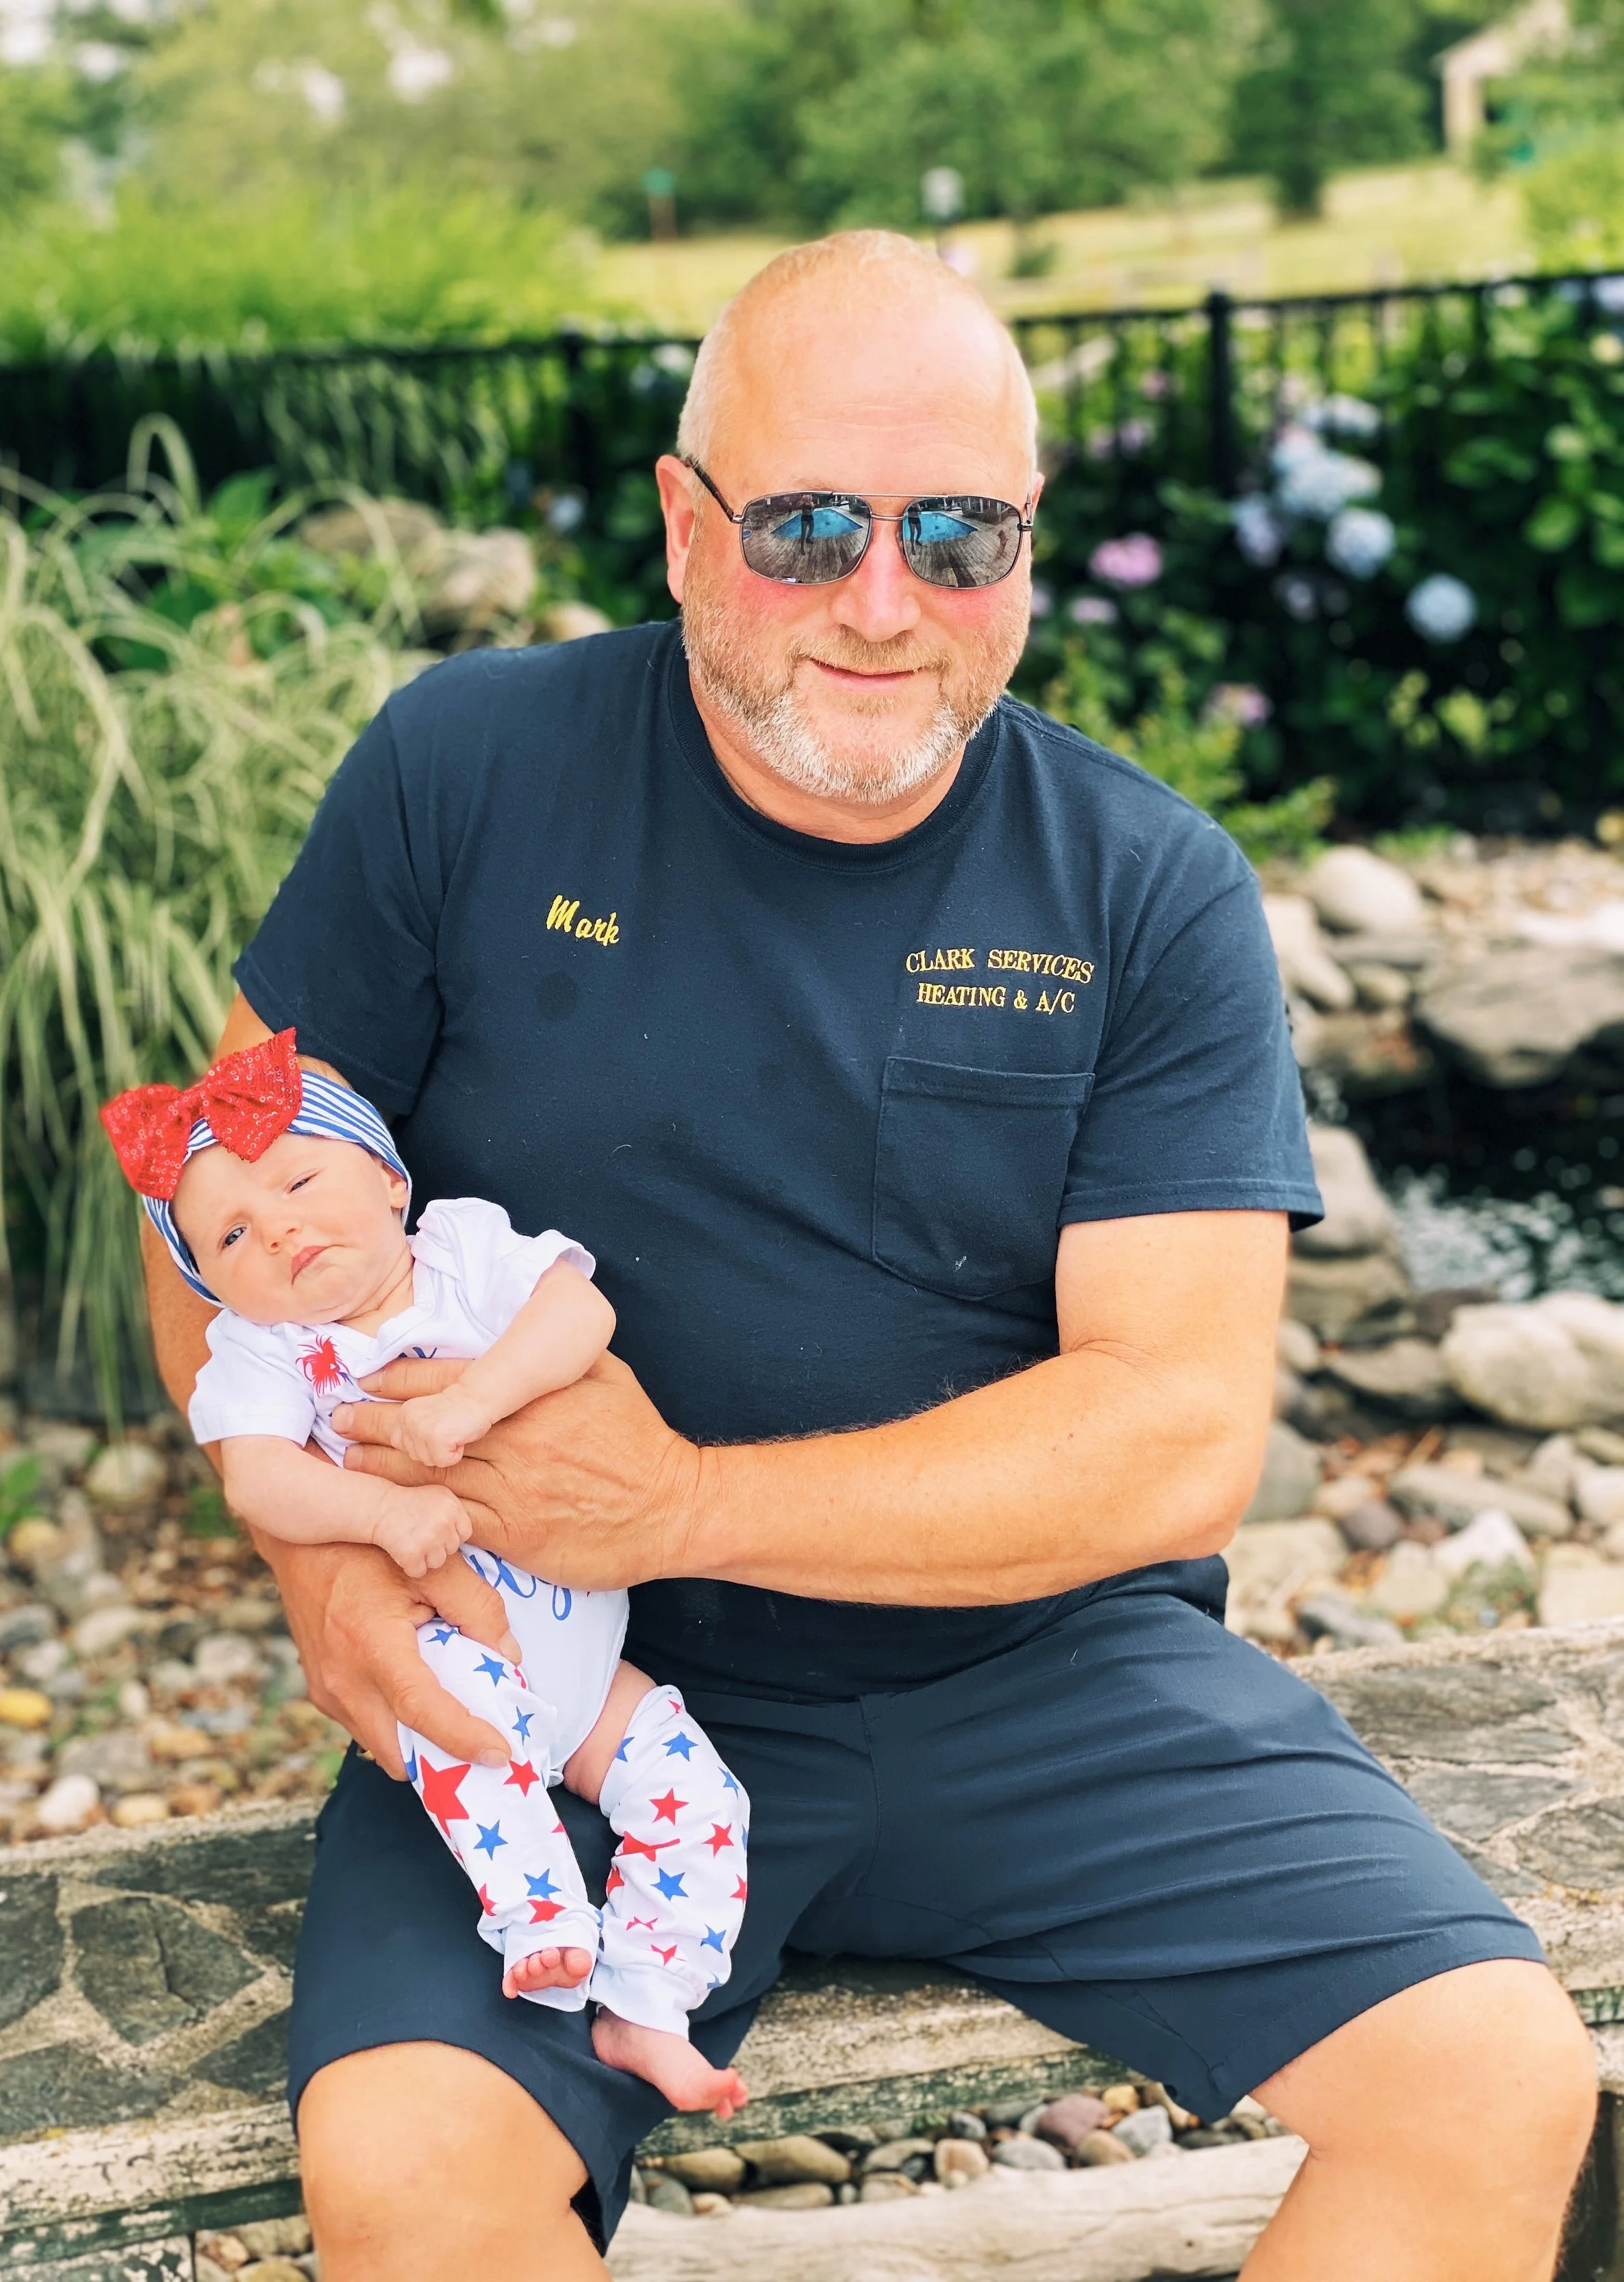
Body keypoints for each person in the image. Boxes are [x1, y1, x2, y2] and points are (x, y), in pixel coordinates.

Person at [147, 230, 1597, 2282]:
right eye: (809, 525)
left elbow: (1172, 1435)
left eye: (959, 532)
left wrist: (687, 1496)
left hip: (1039, 1669)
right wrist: (308, 1553)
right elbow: (210, 1182)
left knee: (1492, 2079)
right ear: (680, 525)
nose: (882, 601)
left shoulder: (1147, 885)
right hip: (561, 1665)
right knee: (410, 2176)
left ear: (1028, 548)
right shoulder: (465, 772)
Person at [104, 1032, 750, 2114]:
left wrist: (474, 1401)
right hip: (452, 1648)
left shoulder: (461, 1253)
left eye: (301, 1181)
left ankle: (650, 2000)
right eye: (230, 1235)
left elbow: (579, 1313)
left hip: (589, 1671)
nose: (282, 1228)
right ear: (212, 1287)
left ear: (393, 1180)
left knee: (696, 1792)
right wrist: (383, 1513)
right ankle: (540, 1919)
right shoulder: (264, 1355)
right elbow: (259, 1481)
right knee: (465, 1724)